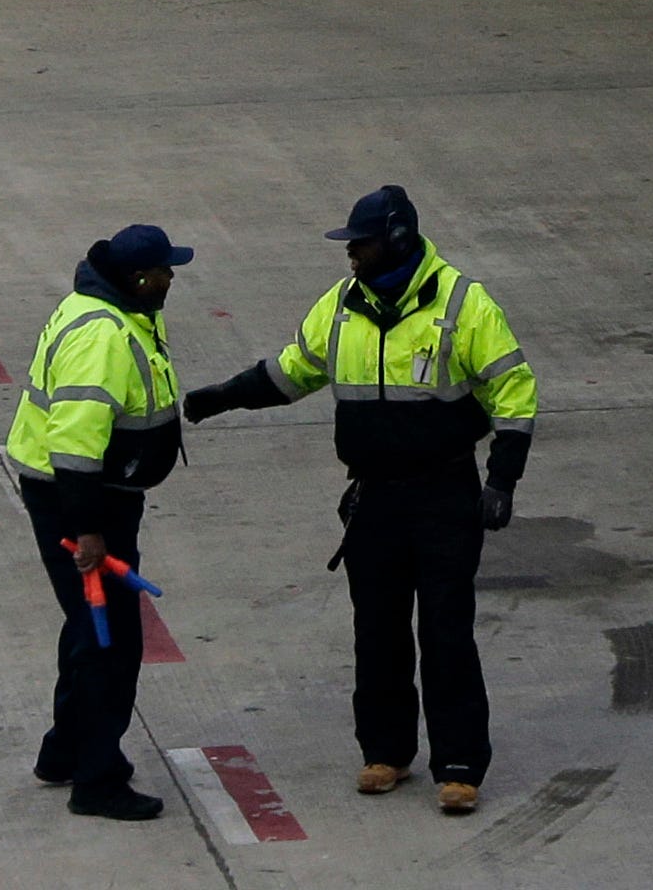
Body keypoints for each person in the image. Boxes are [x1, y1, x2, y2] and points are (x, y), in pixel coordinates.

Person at [182, 185, 535, 814]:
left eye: (361, 244)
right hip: (374, 499)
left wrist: (502, 480)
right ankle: (386, 752)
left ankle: (459, 766)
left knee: (447, 632)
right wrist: (222, 396)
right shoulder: (343, 304)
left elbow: (513, 393)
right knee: (377, 631)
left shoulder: (463, 303)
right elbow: (293, 370)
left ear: (396, 240)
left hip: (444, 496)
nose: (351, 256)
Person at [5, 224, 191, 822]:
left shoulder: (116, 308)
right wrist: (87, 529)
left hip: (93, 496)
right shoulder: (103, 336)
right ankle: (97, 778)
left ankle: (64, 751)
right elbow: (76, 444)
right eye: (165, 270)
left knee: (88, 628)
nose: (171, 278)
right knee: (110, 642)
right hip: (79, 500)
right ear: (138, 277)